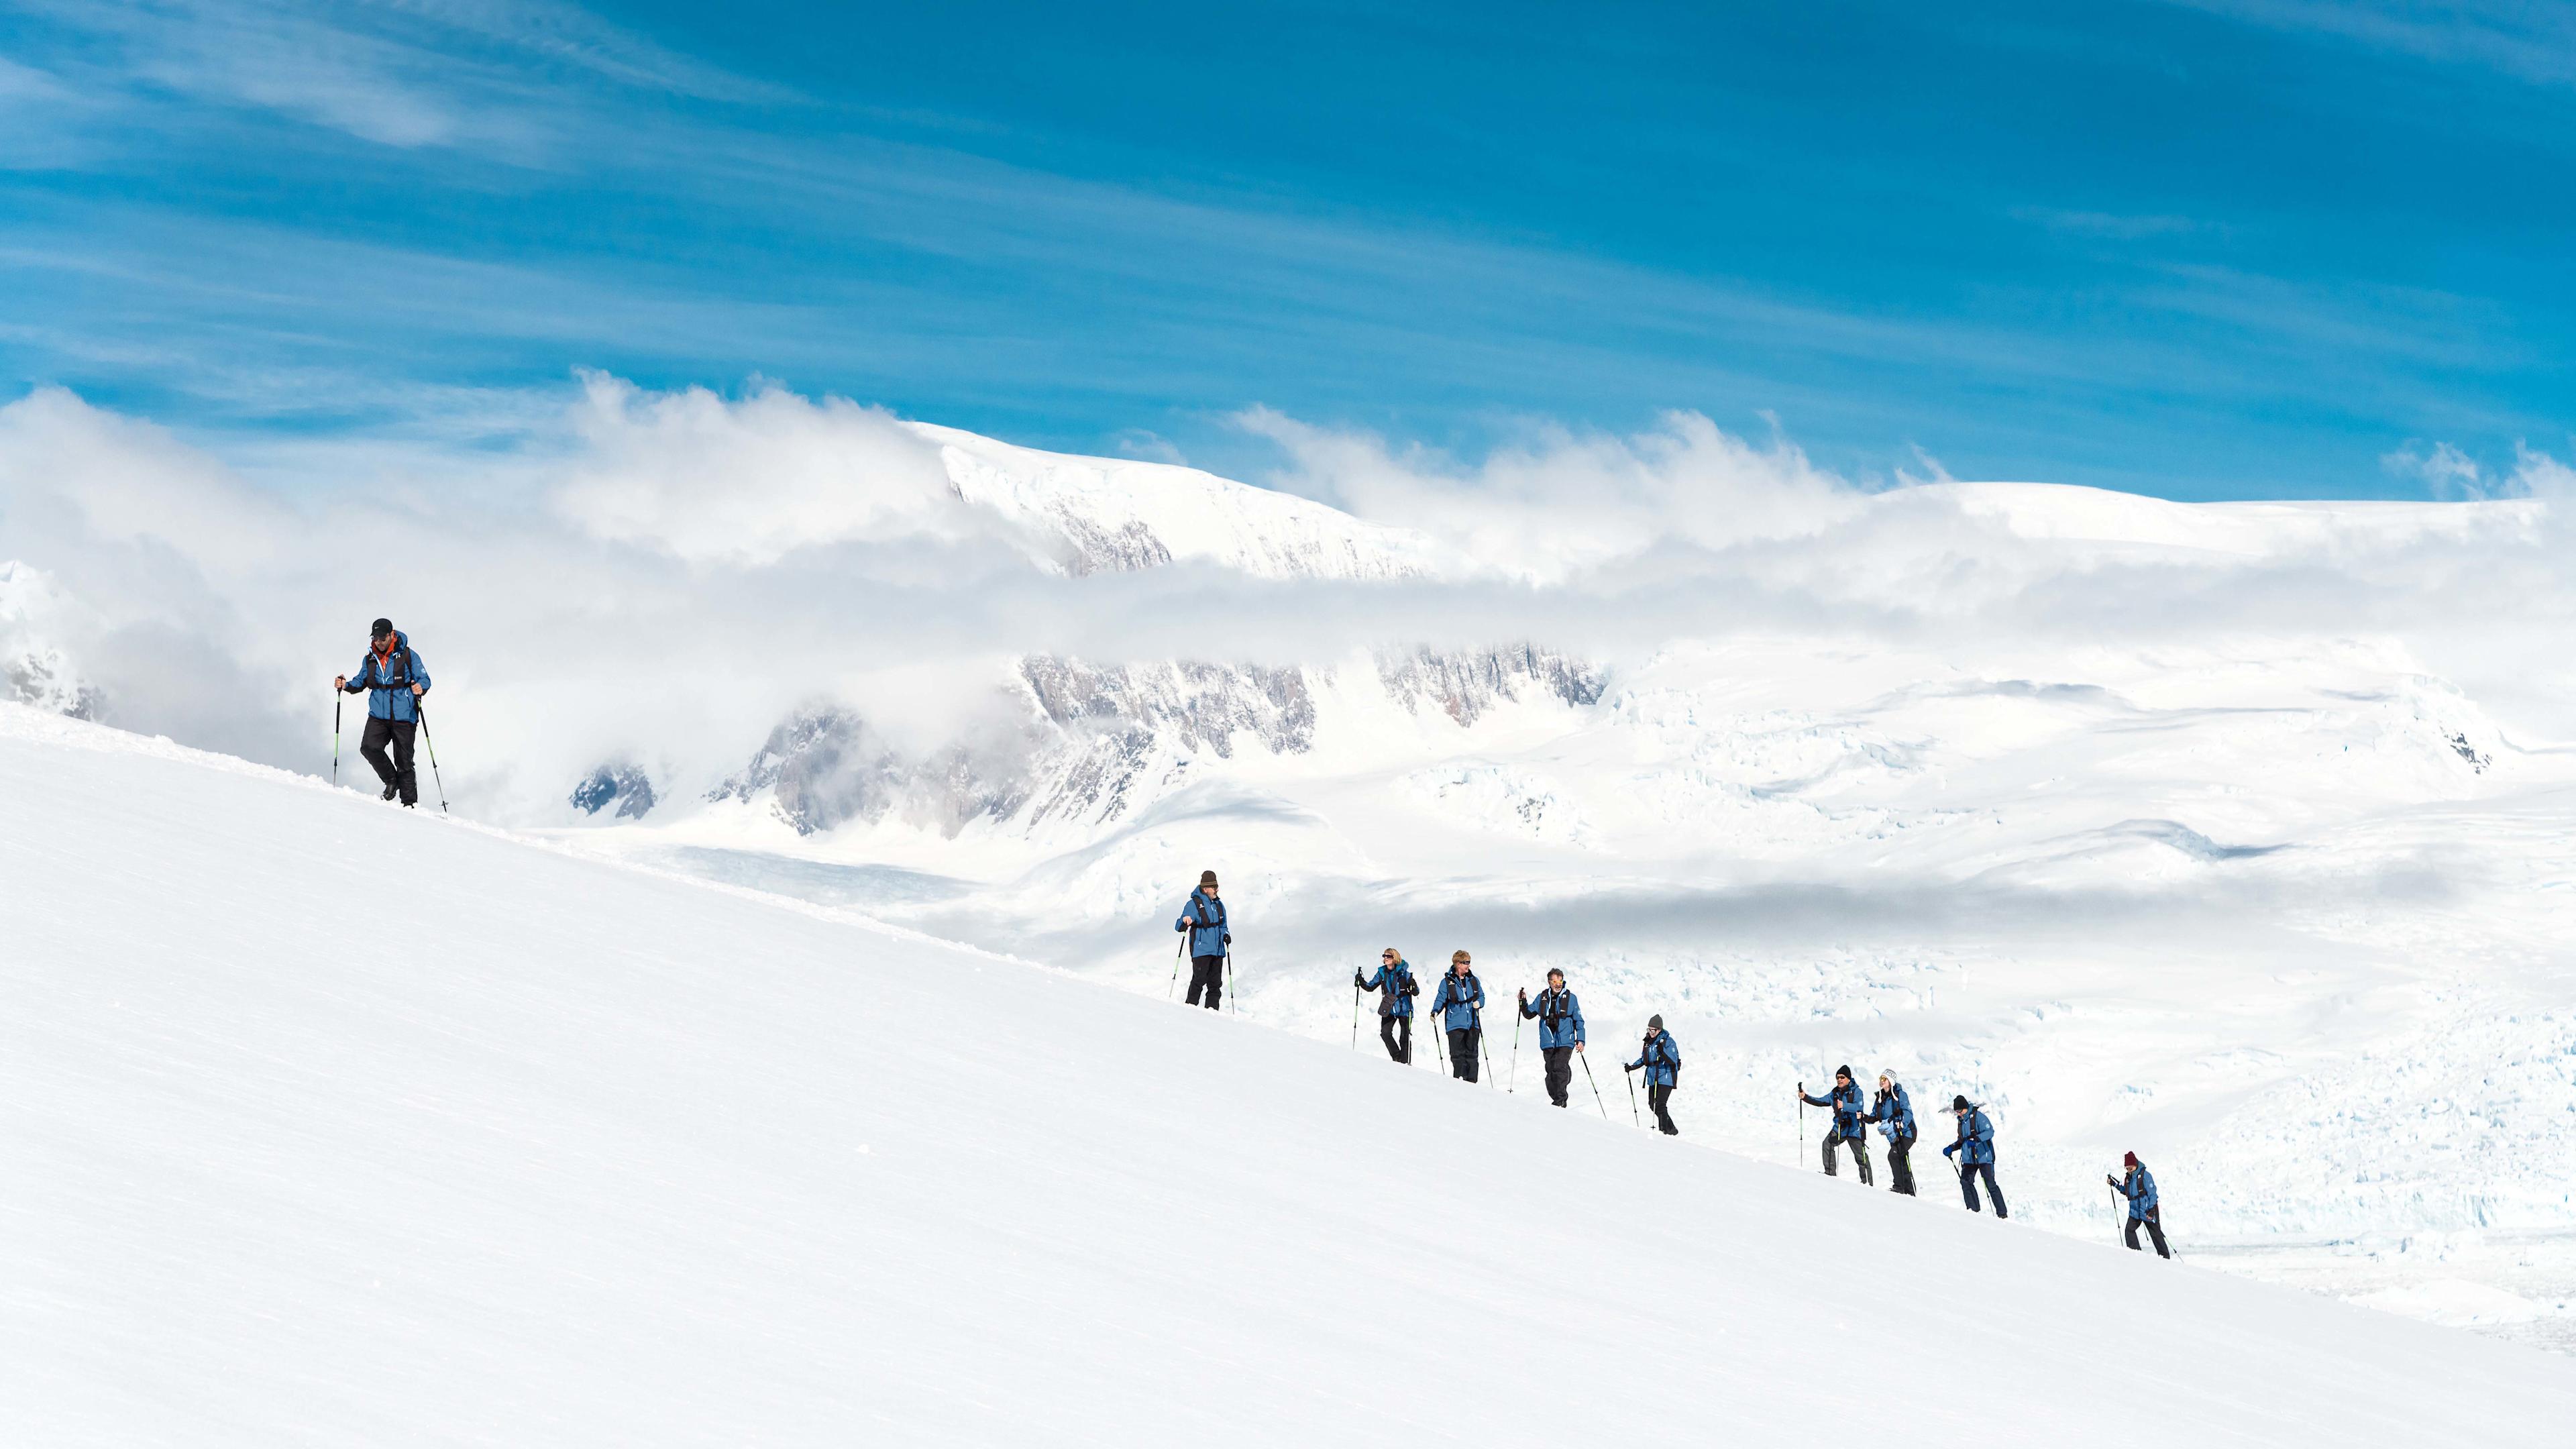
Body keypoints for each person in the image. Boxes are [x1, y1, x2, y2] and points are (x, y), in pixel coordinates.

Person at [335, 618, 431, 807]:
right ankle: (391, 780)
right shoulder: (370, 659)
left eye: (382, 637)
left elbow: (425, 678)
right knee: (369, 747)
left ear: (391, 635)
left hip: (404, 716)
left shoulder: (408, 656)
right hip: (378, 715)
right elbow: (360, 682)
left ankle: (409, 804)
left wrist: (421, 687)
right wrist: (345, 685)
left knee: (404, 761)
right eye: (375, 637)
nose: (378, 641)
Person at [1516, 969, 1586, 1107]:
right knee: (1550, 1071)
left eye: (1560, 981)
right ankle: (1557, 1095)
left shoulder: (1571, 998)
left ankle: (1560, 1101)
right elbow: (1529, 1014)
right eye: (1555, 981)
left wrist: (1581, 1040)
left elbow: (1579, 1020)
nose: (1558, 984)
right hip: (1548, 1041)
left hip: (1566, 1040)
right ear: (1549, 982)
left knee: (1559, 1067)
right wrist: (1523, 1002)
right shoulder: (1542, 997)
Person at [1799, 1066, 1874, 1185]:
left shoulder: (1857, 1091)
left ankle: (1868, 1184)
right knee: (1827, 1144)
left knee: (1861, 1157)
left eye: (1842, 1077)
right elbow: (1821, 1101)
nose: (1839, 1080)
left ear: (1849, 1078)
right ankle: (1830, 1174)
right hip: (1841, 1128)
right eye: (1838, 1078)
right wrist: (1806, 1098)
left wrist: (1844, 1105)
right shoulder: (1835, 1093)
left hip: (1855, 1129)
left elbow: (1858, 1107)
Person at [1941, 1095, 2007, 1218]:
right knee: (1965, 1181)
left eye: (1959, 1111)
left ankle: (2002, 1214)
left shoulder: (1978, 1117)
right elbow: (1962, 1140)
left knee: (1990, 1184)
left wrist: (1977, 1139)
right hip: (1969, 1159)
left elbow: (1990, 1132)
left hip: (1983, 1156)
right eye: (1956, 1112)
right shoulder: (1961, 1122)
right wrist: (1951, 1148)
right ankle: (1973, 1212)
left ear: (1965, 1108)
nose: (1958, 1114)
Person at [1173, 871, 1229, 1010]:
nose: (1217, 889)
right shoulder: (1194, 904)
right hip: (1201, 950)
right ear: (1205, 889)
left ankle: (1212, 1013)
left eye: (1217, 886)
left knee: (1215, 984)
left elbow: (1223, 926)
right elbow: (1179, 926)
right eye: (1214, 886)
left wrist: (1226, 934)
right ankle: (1190, 1010)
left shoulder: (1219, 905)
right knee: (1199, 981)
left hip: (1218, 950)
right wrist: (1185, 922)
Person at [1428, 952, 1487, 1081]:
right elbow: (1441, 999)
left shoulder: (1473, 980)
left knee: (1472, 1056)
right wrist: (1435, 1011)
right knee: (1457, 1056)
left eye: (1469, 962)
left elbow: (1482, 996)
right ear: (1458, 964)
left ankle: (1472, 1083)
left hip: (1473, 1023)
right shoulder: (1447, 982)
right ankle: (1459, 1082)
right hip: (1455, 1024)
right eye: (1466, 962)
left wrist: (1479, 1003)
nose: (1469, 965)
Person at [1354, 948, 1418, 1063]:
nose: (1385, 958)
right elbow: (1371, 987)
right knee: (1385, 1033)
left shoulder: (1405, 974)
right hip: (1389, 1008)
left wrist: (1413, 986)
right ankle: (1397, 1058)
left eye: (1388, 956)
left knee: (1404, 1037)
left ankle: (1405, 1062)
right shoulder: (1382, 973)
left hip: (1404, 1008)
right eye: (1384, 956)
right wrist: (1361, 981)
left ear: (1395, 958)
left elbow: (1416, 992)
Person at [1866, 1070, 1918, 1196]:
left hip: (1907, 1132)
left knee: (1894, 1155)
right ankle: (1909, 1192)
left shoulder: (1901, 1095)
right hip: (1894, 1135)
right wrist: (1863, 1117)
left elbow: (1908, 1112)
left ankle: (1899, 1187)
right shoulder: (1880, 1098)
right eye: (1881, 1078)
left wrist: (1902, 1123)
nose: (1881, 1081)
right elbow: (1875, 1116)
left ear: (1891, 1081)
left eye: (1884, 1079)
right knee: (1902, 1158)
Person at [1625, 1016, 1681, 1134]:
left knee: (1660, 1105)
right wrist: (1632, 1067)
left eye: (1653, 1030)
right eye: (1648, 1030)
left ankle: (1664, 1130)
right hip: (1653, 1077)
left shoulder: (1668, 1042)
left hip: (1666, 1077)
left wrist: (1662, 1051)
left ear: (1659, 1030)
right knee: (1653, 1105)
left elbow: (1673, 1059)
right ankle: (1671, 1129)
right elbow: (1644, 1059)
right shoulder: (1648, 1042)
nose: (1650, 1032)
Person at [2109, 1152, 2169, 1258]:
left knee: (2156, 1234)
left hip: (2147, 1210)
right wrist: (2114, 1184)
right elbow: (2127, 1192)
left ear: (2135, 1165)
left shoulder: (2146, 1176)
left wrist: (2151, 1209)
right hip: (2135, 1211)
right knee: (2129, 1230)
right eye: (2127, 1169)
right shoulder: (2128, 1178)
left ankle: (2165, 1257)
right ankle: (2136, 1255)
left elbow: (2153, 1194)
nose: (2128, 1171)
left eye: (2130, 1168)